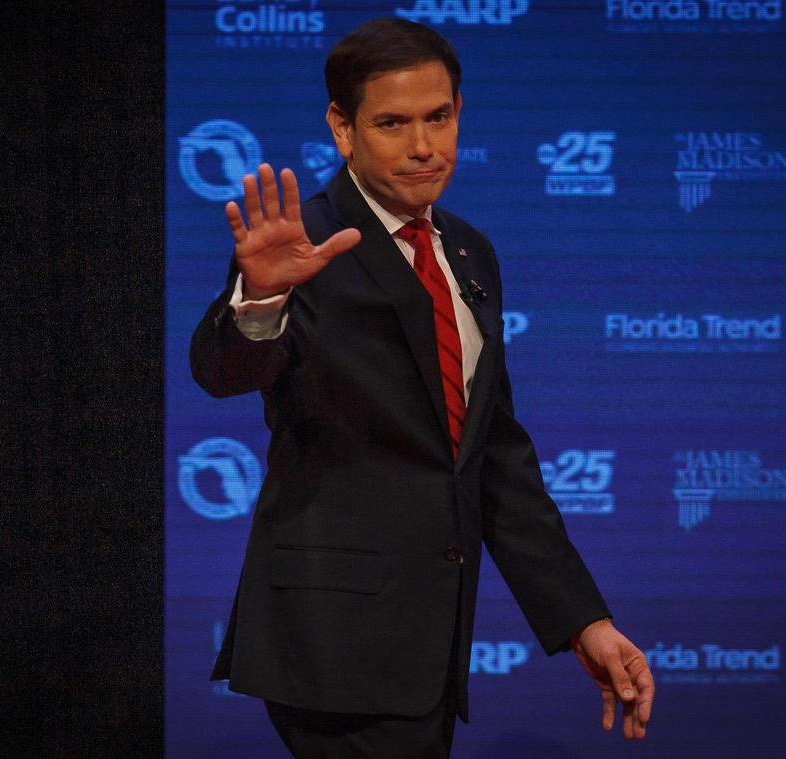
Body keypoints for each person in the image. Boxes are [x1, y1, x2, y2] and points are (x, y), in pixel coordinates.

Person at [190, 18, 654, 757]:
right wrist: (259, 301)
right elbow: (225, 373)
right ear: (342, 130)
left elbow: (490, 454)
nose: (423, 146)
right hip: (332, 644)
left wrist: (582, 621)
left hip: (428, 647)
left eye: (438, 117)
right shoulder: (303, 241)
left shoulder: (468, 251)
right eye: (392, 123)